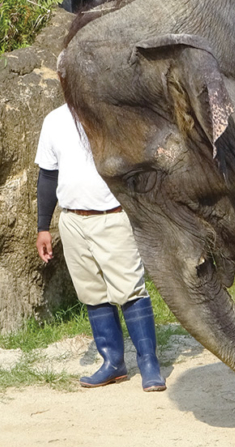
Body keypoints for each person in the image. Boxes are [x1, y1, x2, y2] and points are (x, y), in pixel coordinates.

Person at [35, 103, 166, 392]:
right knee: (92, 293)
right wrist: (42, 227)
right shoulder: (54, 121)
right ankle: (112, 363)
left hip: (113, 216)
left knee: (130, 289)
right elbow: (47, 176)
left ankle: (149, 364)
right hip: (72, 220)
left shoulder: (114, 114)